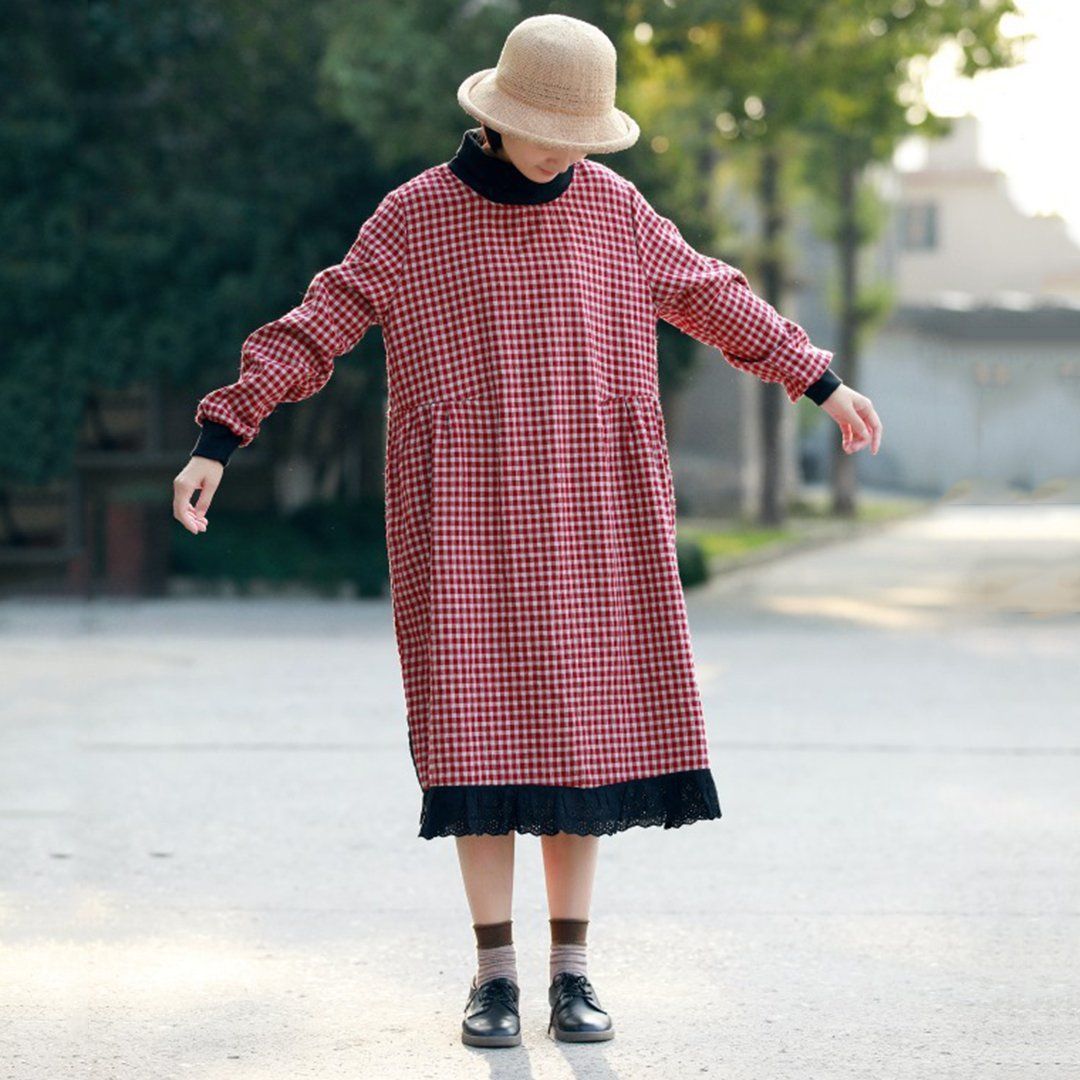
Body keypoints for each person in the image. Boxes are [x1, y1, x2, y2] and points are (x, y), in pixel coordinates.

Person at [173, 12, 882, 1051]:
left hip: (594, 512)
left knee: (584, 746)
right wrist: (219, 433)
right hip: (462, 517)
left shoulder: (615, 211)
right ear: (497, 116)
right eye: (547, 127)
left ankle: (574, 973)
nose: (565, 149)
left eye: (581, 132)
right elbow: (320, 320)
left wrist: (812, 375)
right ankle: (493, 976)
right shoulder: (415, 218)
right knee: (477, 741)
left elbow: (712, 295)